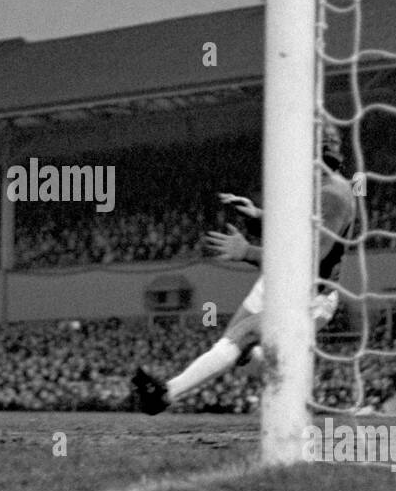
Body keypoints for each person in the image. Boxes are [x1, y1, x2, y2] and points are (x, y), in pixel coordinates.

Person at [131, 119, 356, 413]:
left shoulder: (333, 195)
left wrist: (246, 252)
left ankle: (164, 395)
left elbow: (309, 263)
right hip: (278, 283)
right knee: (236, 347)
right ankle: (291, 381)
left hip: (311, 295)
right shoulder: (312, 186)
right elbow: (292, 233)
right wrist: (258, 216)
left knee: (246, 335)